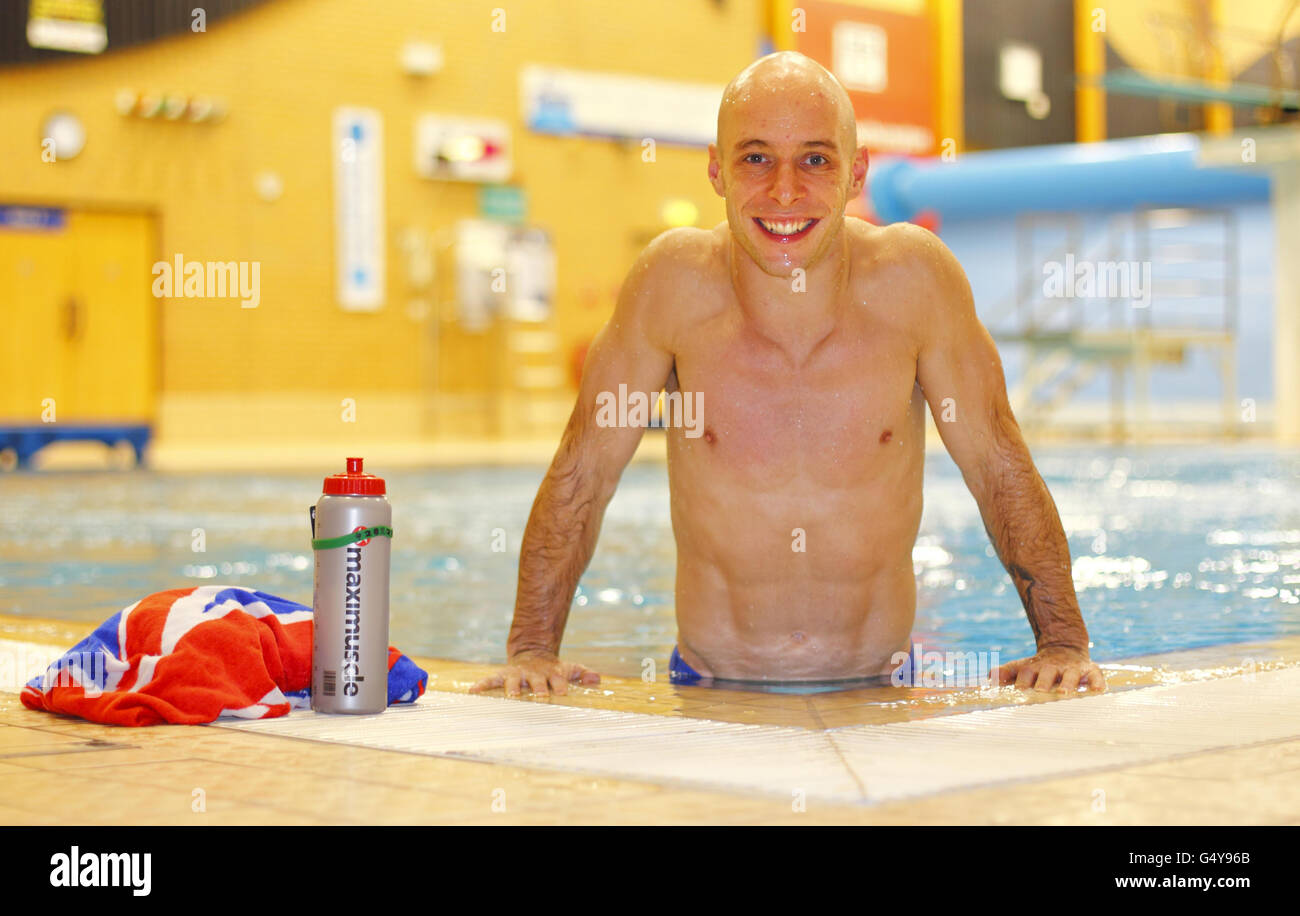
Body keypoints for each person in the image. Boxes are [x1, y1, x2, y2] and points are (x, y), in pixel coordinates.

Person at [470, 51, 1105, 698]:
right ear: (716, 170)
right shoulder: (670, 286)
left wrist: (1062, 643)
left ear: (856, 171)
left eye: (815, 159)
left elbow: (998, 463)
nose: (783, 191)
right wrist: (532, 649)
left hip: (881, 682)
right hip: (710, 683)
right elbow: (586, 470)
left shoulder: (916, 281)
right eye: (755, 158)